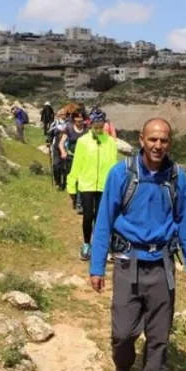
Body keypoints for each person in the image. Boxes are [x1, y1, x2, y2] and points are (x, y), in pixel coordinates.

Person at [88, 118, 186, 371]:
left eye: (163, 140)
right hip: (127, 262)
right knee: (123, 333)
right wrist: (96, 266)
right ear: (141, 139)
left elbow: (185, 223)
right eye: (152, 139)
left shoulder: (177, 178)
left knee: (159, 336)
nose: (157, 146)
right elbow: (103, 223)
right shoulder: (121, 174)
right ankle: (123, 368)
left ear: (170, 143)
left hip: (162, 266)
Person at [67, 109, 119, 261]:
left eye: (100, 125)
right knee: (88, 216)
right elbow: (76, 164)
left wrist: (115, 186)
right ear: (90, 124)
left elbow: (114, 165)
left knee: (102, 217)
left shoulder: (110, 142)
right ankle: (86, 244)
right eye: (95, 125)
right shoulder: (83, 142)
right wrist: (71, 185)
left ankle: (104, 246)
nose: (98, 128)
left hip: (104, 185)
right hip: (86, 185)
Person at [59, 110, 88, 212]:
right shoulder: (69, 128)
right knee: (73, 179)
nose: (78, 122)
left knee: (82, 179)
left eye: (80, 119)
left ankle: (80, 202)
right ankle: (74, 198)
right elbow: (61, 143)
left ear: (83, 119)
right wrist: (63, 152)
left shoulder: (87, 130)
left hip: (84, 158)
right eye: (76, 119)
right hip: (71, 157)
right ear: (73, 119)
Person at [47, 108, 70, 190]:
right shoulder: (55, 123)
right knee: (56, 165)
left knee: (66, 166)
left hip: (67, 147)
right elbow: (50, 133)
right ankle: (58, 182)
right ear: (59, 115)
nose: (64, 116)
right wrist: (48, 141)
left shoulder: (69, 123)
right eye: (62, 114)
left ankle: (64, 184)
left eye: (65, 114)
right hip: (56, 146)